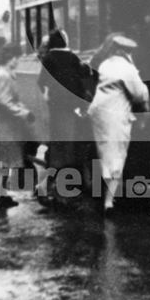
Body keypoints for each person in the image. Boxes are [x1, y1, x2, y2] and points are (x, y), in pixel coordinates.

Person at [87, 33, 149, 215]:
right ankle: (108, 202)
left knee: (105, 151)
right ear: (126, 52)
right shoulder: (127, 68)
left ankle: (107, 194)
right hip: (114, 116)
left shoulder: (106, 64)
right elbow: (139, 94)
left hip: (98, 113)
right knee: (116, 155)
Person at [37, 28, 91, 191]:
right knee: (70, 141)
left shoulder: (49, 58)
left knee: (58, 141)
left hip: (56, 106)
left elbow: (41, 81)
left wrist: (48, 95)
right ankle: (67, 179)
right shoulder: (73, 58)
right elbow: (84, 75)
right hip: (73, 105)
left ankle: (54, 179)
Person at [0, 43, 33, 209]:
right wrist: (24, 113)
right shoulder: (3, 75)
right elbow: (6, 102)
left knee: (7, 161)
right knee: (5, 161)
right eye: (17, 58)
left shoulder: (7, 73)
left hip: (8, 124)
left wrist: (24, 110)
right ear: (10, 58)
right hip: (5, 125)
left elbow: (12, 100)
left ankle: (1, 193)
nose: (19, 60)